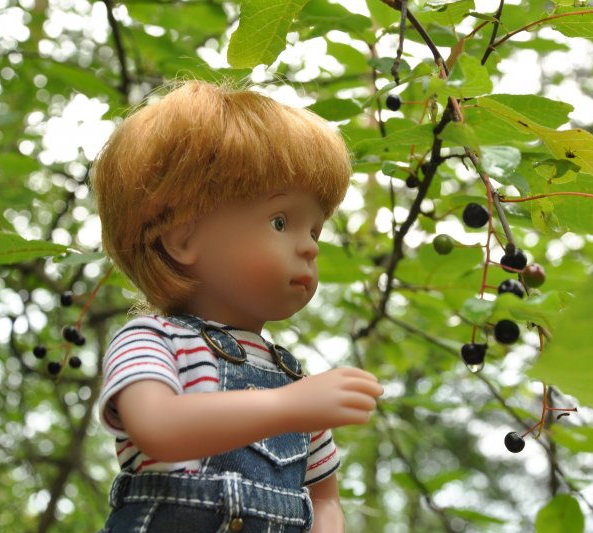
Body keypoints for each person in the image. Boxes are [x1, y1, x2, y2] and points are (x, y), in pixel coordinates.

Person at [91, 80, 383, 532]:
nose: (309, 248)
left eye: (315, 231)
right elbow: (158, 427)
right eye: (281, 221)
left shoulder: (291, 377)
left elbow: (324, 499)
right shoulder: (152, 340)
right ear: (184, 236)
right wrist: (288, 406)